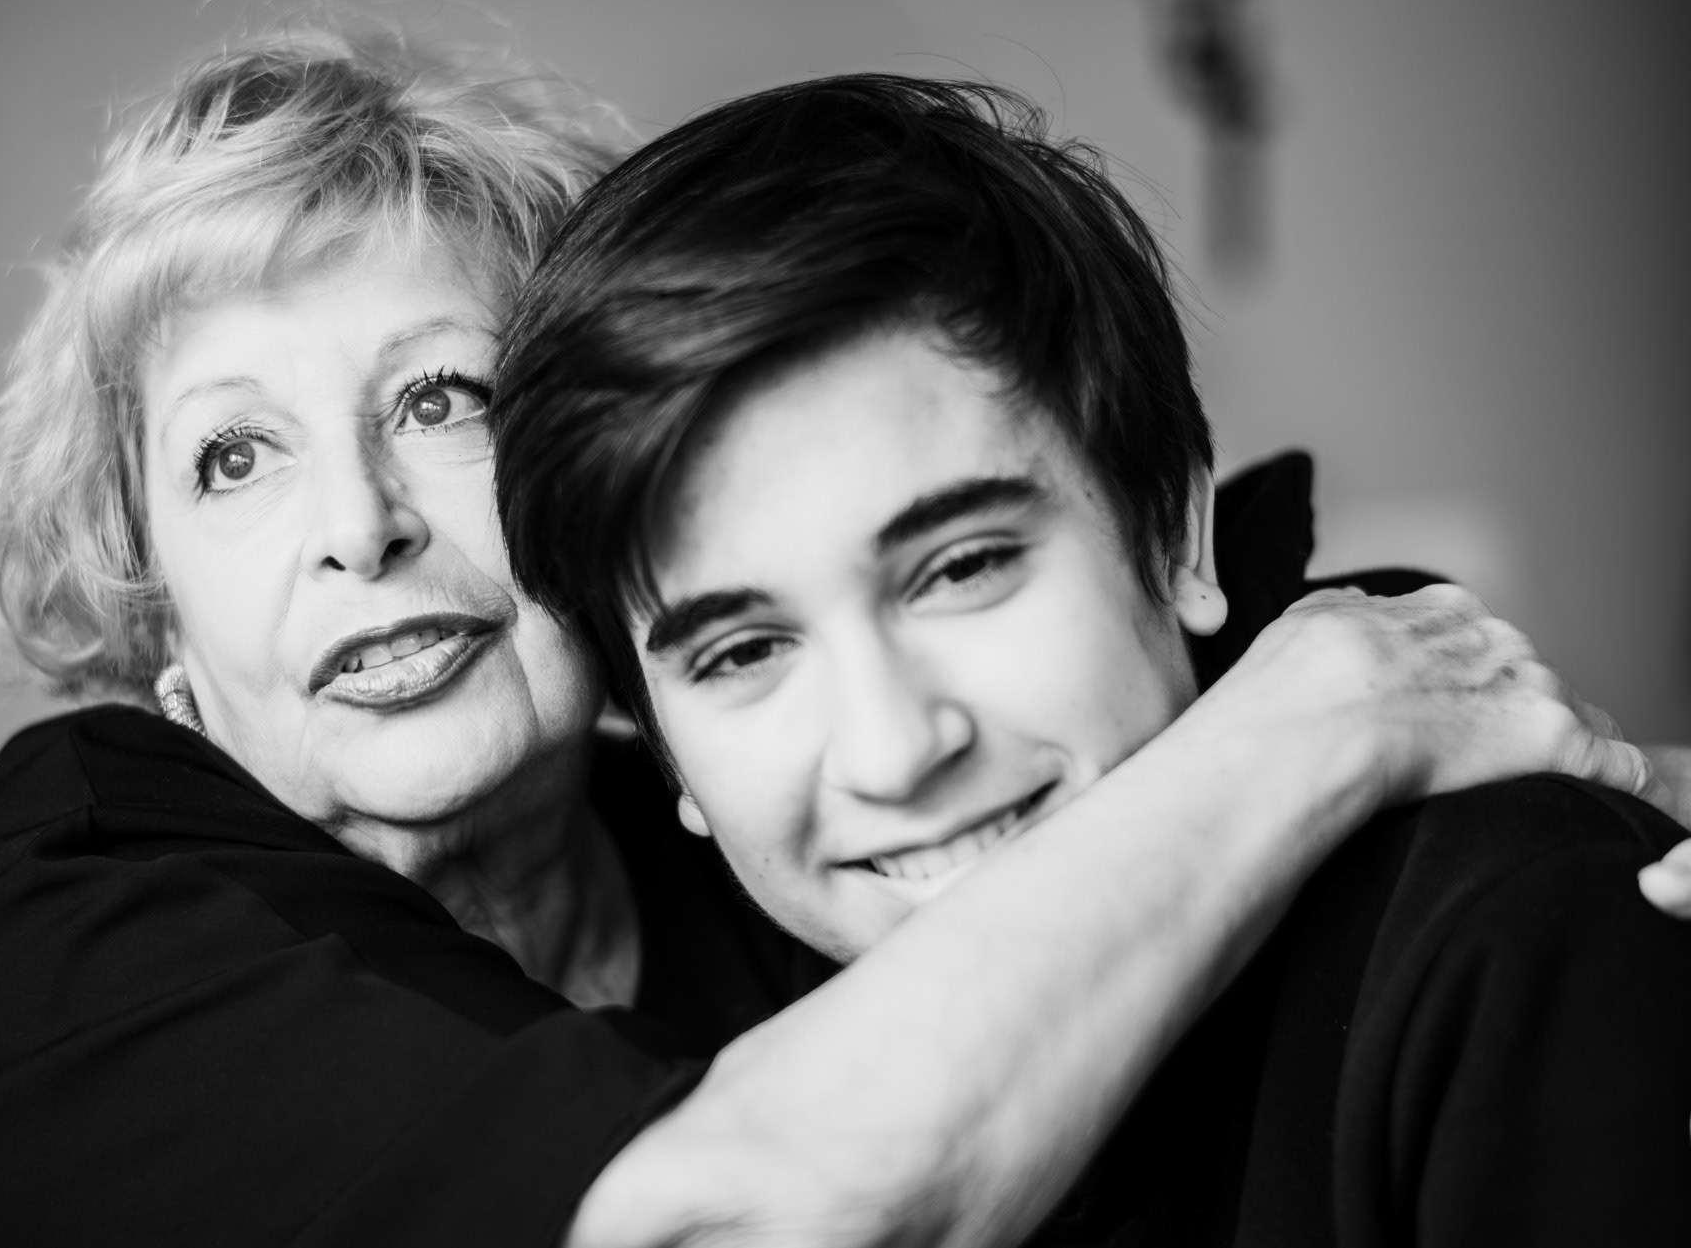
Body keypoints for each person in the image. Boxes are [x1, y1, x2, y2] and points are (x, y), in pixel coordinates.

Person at [0, 30, 1670, 1248]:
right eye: (233, 457)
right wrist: (1331, 708)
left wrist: (1579, 788)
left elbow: (1193, 609)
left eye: (439, 399)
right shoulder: (81, 902)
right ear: (157, 618)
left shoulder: (757, 835)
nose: (361, 523)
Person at [490, 73, 1691, 1245]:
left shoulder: (1508, 927)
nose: (894, 752)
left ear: (1172, 534)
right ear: (667, 753)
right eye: (744, 651)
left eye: (963, 568)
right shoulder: (673, 1078)